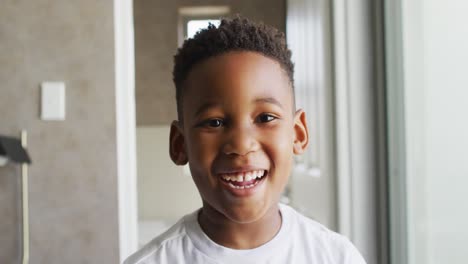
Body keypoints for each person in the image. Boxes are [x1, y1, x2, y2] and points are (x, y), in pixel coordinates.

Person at [124, 16, 367, 264]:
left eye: (265, 117)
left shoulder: (336, 256)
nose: (241, 145)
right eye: (215, 122)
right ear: (179, 144)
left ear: (298, 134)